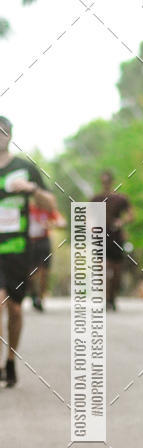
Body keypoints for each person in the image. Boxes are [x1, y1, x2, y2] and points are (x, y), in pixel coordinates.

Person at [0, 116, 55, 385]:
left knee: (15, 310)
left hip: (19, 249)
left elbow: (50, 204)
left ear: (10, 136)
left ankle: (10, 360)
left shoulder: (24, 168)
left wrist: (32, 189)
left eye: (4, 132)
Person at [91, 170, 133, 310]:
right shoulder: (95, 199)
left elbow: (131, 215)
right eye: (103, 181)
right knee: (102, 268)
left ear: (111, 182)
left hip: (116, 237)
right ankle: (106, 296)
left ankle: (112, 296)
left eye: (107, 181)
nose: (106, 184)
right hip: (100, 236)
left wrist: (121, 222)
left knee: (116, 269)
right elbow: (87, 217)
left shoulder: (120, 199)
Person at [29, 196, 64, 311]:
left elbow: (62, 222)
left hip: (43, 242)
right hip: (30, 242)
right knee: (32, 272)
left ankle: (40, 298)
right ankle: (34, 294)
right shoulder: (29, 209)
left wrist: (51, 224)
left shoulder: (48, 209)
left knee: (44, 271)